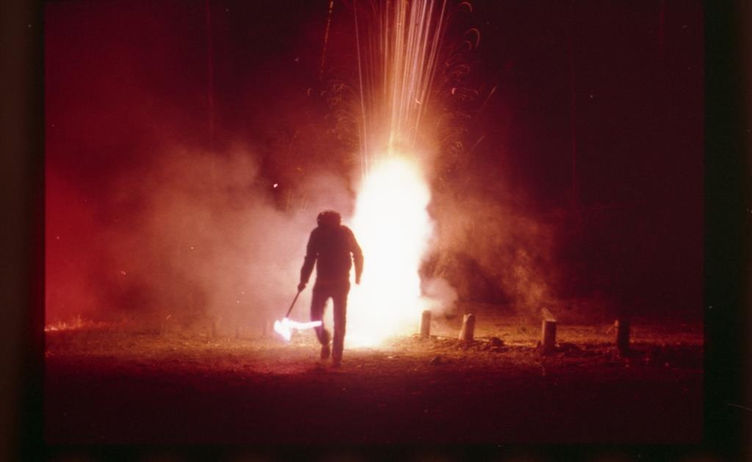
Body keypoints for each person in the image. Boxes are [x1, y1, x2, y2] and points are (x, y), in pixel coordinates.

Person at [298, 210, 363, 367]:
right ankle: (325, 341)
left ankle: (337, 355)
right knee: (315, 316)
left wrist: (358, 275)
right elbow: (310, 257)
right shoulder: (317, 234)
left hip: (340, 283)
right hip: (323, 282)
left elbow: (357, 253)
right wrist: (303, 280)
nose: (323, 227)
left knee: (339, 319)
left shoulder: (345, 233)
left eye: (325, 224)